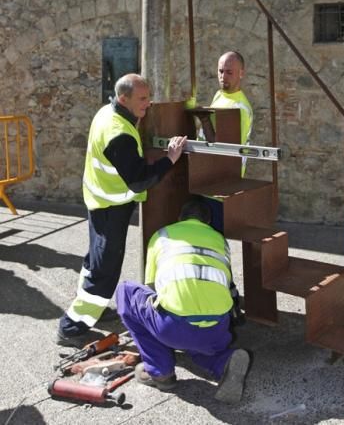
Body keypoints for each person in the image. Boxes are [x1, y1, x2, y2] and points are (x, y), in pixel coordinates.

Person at [57, 73, 187, 346]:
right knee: (106, 269)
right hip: (111, 206)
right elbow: (139, 178)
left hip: (98, 199)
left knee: (95, 259)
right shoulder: (119, 134)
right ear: (123, 98)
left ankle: (93, 309)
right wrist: (170, 159)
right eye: (142, 98)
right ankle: (72, 326)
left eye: (148, 96)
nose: (148, 103)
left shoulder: (107, 113)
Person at [116, 196, 251, 404]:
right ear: (207, 222)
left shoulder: (162, 235)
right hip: (217, 329)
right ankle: (223, 362)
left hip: (173, 327)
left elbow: (151, 287)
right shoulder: (220, 241)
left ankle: (159, 372)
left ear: (180, 218)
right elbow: (226, 283)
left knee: (126, 292)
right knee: (196, 341)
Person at [197, 51, 253, 233]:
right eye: (220, 71)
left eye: (229, 72)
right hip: (207, 179)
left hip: (222, 184)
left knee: (216, 237)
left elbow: (224, 149)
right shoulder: (220, 95)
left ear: (241, 74)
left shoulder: (239, 108)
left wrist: (204, 120)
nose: (223, 77)